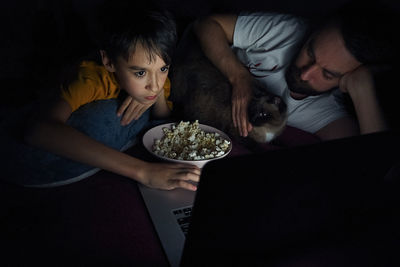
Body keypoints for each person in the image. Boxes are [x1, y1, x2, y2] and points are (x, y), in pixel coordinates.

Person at [1, 1, 200, 190]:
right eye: (140, 73)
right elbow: (38, 130)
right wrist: (144, 171)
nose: (155, 84)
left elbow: (163, 119)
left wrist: (156, 98)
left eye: (163, 69)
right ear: (109, 62)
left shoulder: (156, 79)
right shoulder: (91, 79)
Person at [192, 1, 397, 140]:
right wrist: (238, 76)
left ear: (345, 81)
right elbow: (207, 25)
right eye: (310, 52)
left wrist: (363, 89)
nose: (305, 73)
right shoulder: (285, 30)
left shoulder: (328, 112)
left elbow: (376, 168)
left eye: (328, 74)